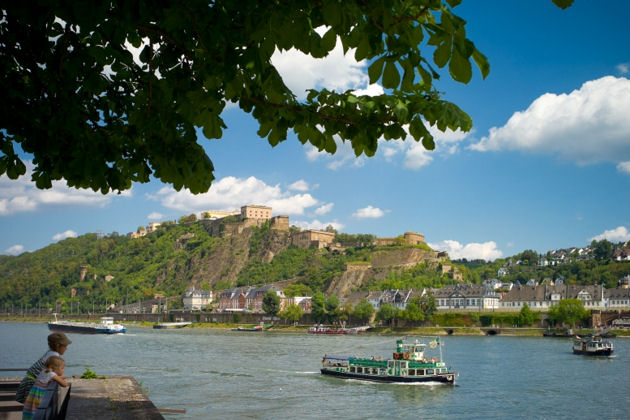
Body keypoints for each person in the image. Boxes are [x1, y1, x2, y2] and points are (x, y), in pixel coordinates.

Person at [15, 333, 72, 403]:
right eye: (65, 346)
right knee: (34, 406)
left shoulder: (50, 352)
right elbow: (58, 377)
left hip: (32, 380)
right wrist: (62, 376)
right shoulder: (54, 356)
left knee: (30, 405)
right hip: (33, 382)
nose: (66, 348)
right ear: (58, 346)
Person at [22, 356, 69, 420]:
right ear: (54, 368)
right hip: (40, 398)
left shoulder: (43, 371)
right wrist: (63, 376)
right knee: (39, 413)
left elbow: (53, 378)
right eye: (62, 368)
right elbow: (64, 384)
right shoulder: (52, 374)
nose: (63, 370)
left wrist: (58, 377)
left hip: (33, 397)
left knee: (31, 413)